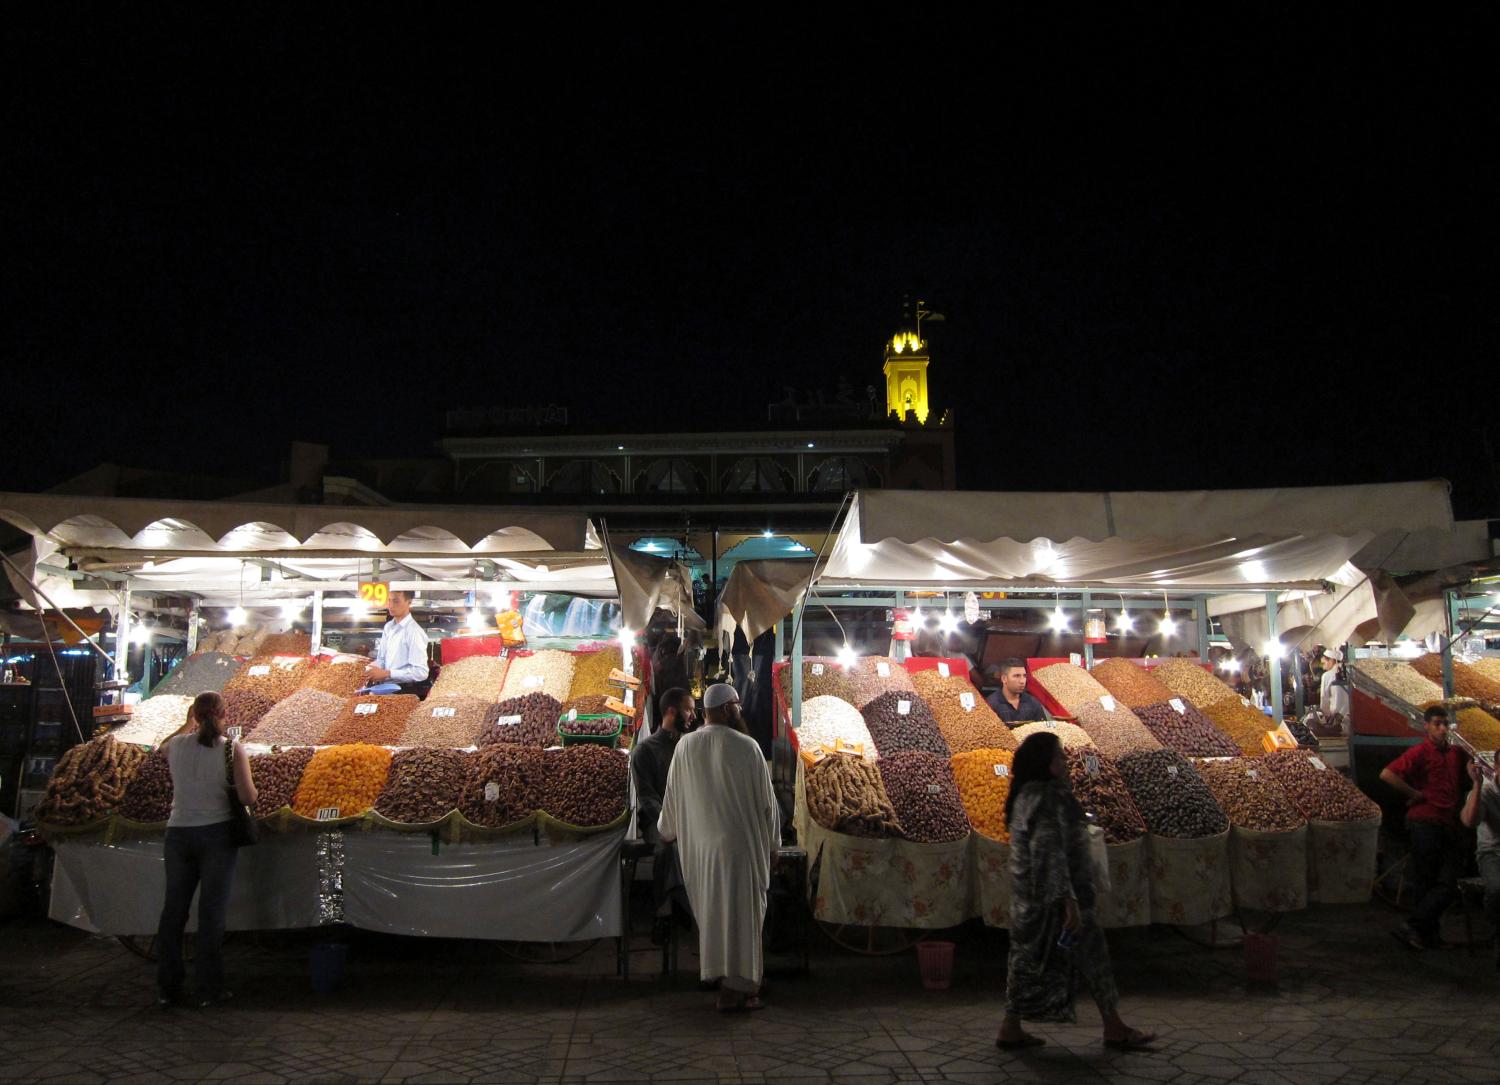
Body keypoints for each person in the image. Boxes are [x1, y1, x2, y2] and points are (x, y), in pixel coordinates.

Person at [998, 731, 1154, 1051]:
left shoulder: (1024, 794)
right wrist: (1067, 899)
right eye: (1059, 757)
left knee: (1026, 963)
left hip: (1029, 900)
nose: (1065, 762)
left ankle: (1010, 1028)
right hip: (1057, 900)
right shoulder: (1048, 797)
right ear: (1047, 763)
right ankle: (1114, 1027)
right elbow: (1049, 848)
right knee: (1093, 958)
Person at [658, 683, 779, 1012]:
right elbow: (768, 808)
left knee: (714, 917)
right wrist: (773, 846)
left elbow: (671, 807)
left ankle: (726, 981)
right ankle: (738, 988)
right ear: (727, 709)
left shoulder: (684, 747)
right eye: (737, 705)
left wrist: (669, 831)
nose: (740, 710)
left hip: (702, 854)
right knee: (743, 918)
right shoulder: (748, 747)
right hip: (742, 851)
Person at [155, 691, 257, 1009]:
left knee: (174, 911)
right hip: (217, 834)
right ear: (225, 715)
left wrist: (185, 725)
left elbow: (160, 748)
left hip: (178, 834)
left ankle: (169, 988)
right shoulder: (231, 749)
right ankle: (208, 989)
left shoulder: (177, 746)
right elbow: (247, 797)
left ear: (194, 717)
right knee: (210, 913)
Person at [1380, 704, 1470, 950]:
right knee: (1426, 880)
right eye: (1437, 724)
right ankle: (1425, 934)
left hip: (1448, 822)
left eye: (1445, 724)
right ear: (1426, 726)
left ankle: (1416, 926)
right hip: (1424, 822)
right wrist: (1414, 793)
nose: (1442, 729)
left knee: (1449, 882)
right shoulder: (1420, 752)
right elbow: (1387, 774)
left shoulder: (1455, 754)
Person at [631, 686, 696, 940]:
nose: (693, 715)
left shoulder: (689, 746)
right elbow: (647, 797)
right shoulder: (645, 750)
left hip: (688, 819)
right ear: (672, 711)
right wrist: (669, 824)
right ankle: (664, 912)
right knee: (667, 847)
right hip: (656, 822)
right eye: (688, 709)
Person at [1460, 759, 1500, 968]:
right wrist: (1476, 784)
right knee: (1496, 889)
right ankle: (1496, 934)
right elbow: (1469, 821)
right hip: (1492, 854)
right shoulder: (1486, 792)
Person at [365, 590, 432, 697]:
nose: (391, 605)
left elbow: (421, 672)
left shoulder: (414, 632)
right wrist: (370, 669)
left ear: (409, 602)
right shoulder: (388, 627)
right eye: (389, 601)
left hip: (405, 691)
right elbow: (381, 659)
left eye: (396, 601)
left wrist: (387, 673)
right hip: (384, 689)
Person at [986, 658, 1049, 724]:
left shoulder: (1033, 703)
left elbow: (1043, 729)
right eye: (1017, 676)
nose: (1022, 681)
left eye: (1024, 676)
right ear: (1004, 679)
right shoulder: (991, 704)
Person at [651, 633, 690, 722]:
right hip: (678, 705)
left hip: (665, 706)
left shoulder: (663, 664)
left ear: (662, 649)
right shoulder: (679, 664)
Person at [1319, 649, 1350, 724]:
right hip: (1353, 718)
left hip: (1336, 720)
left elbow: (1324, 698)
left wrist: (1325, 716)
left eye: (1324, 663)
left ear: (1332, 660)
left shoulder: (1327, 675)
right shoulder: (1350, 672)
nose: (1323, 667)